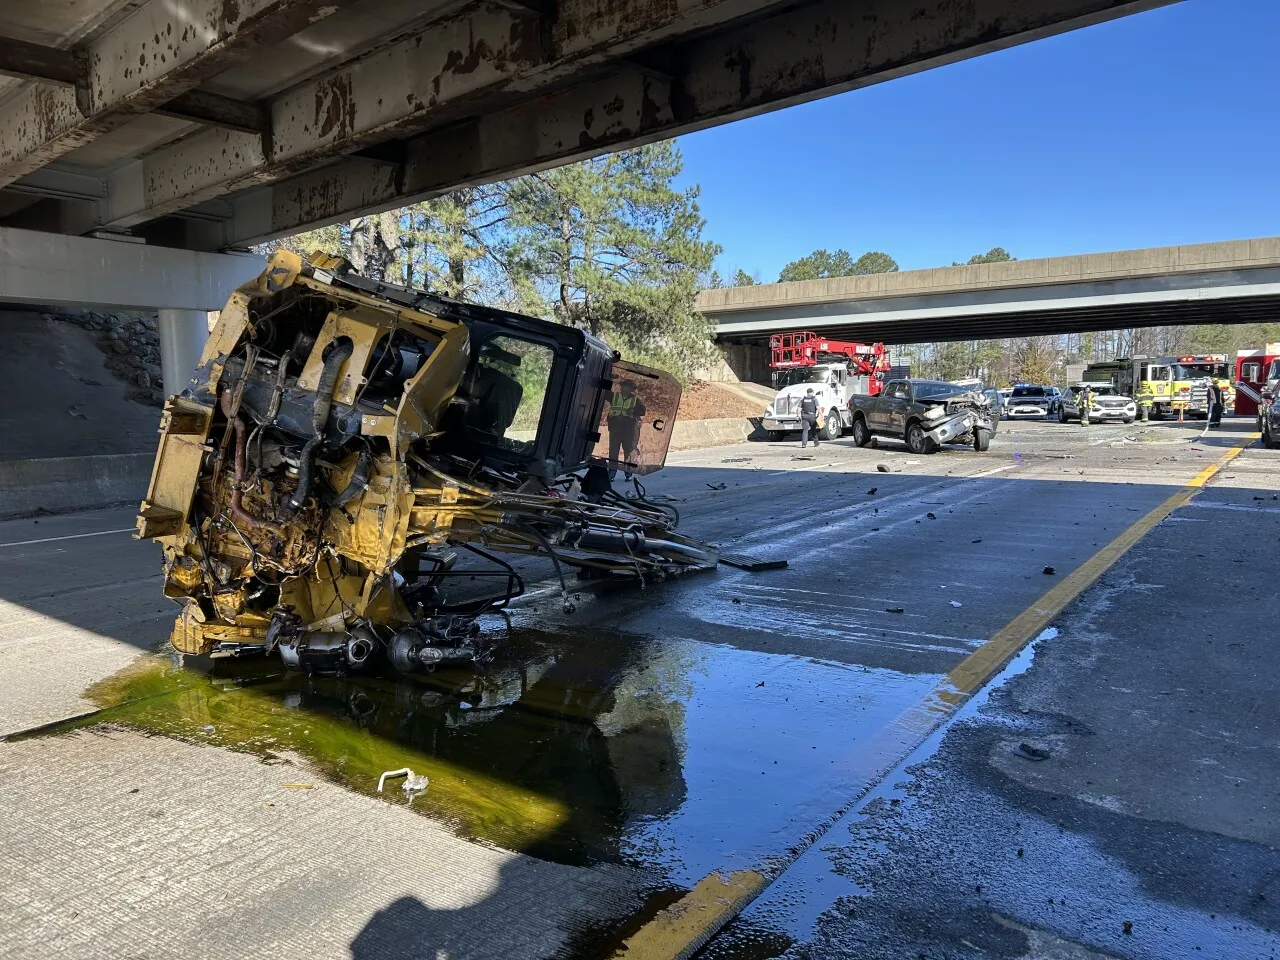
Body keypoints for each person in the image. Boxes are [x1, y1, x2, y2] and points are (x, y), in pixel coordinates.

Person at [606, 379, 646, 478]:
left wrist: (634, 410)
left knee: (628, 450)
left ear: (631, 389)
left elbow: (642, 411)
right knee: (613, 451)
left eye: (627, 387)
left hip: (628, 429)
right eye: (623, 386)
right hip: (615, 428)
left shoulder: (635, 400)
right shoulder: (614, 396)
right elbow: (604, 393)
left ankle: (628, 472)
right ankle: (612, 472)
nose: (624, 388)